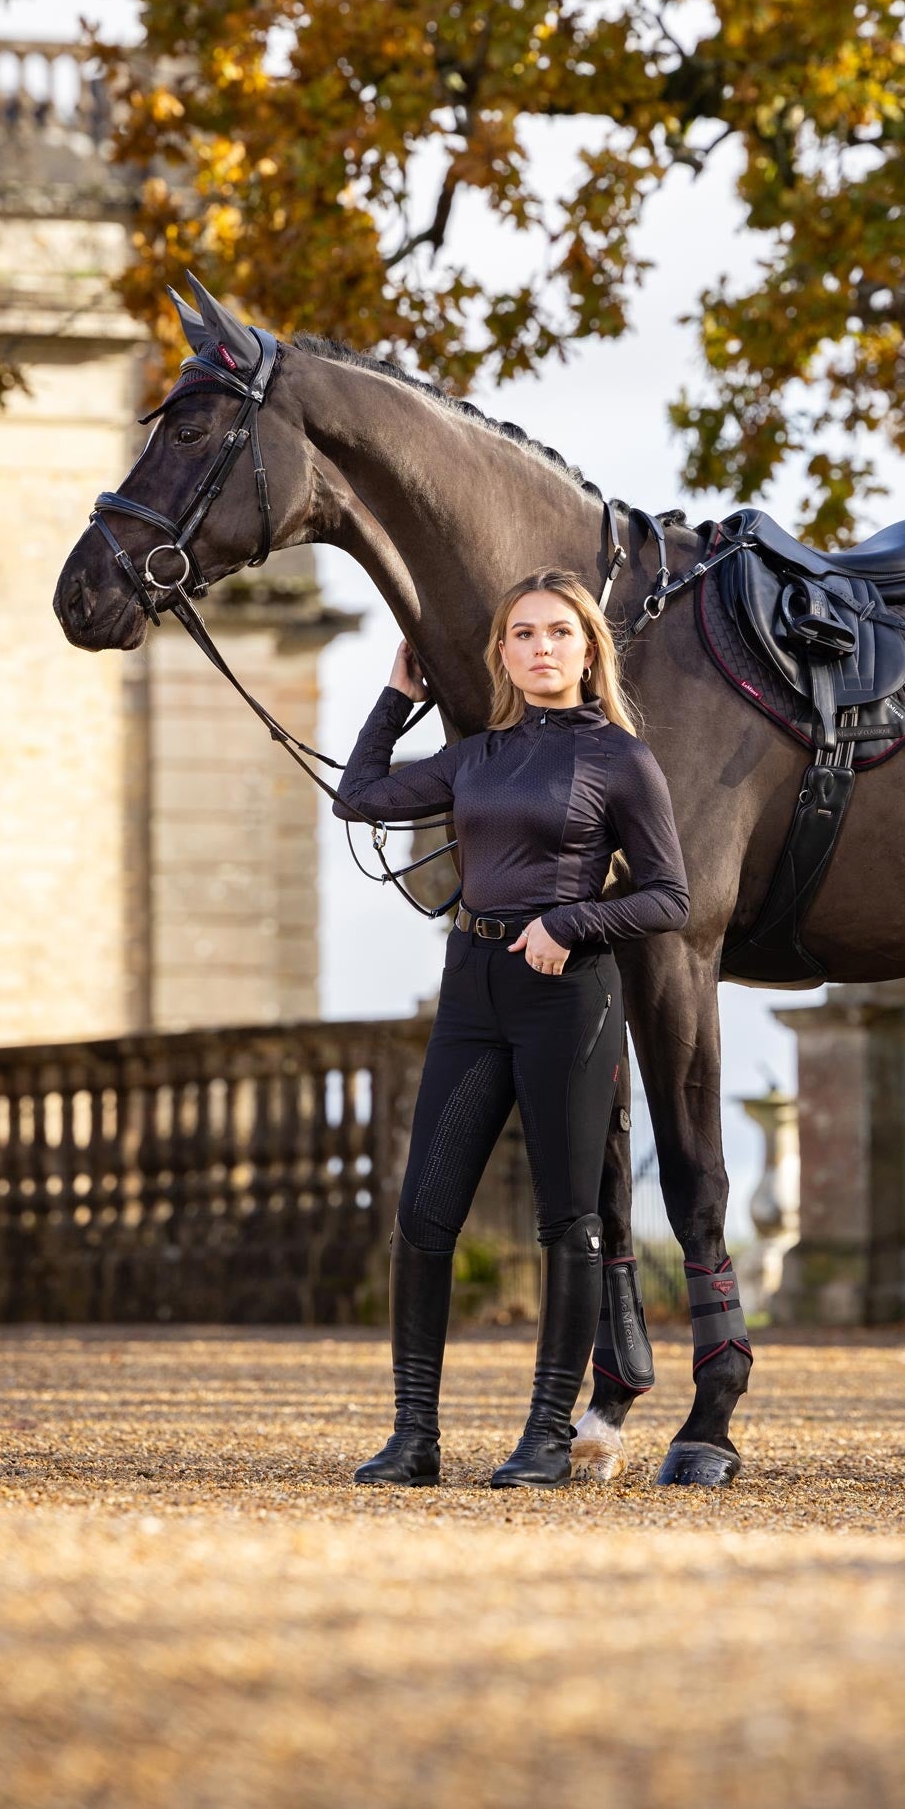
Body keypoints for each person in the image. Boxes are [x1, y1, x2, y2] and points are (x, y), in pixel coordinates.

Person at [335, 567, 689, 1489]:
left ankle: (542, 1436)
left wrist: (570, 923)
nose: (540, 648)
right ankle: (414, 1435)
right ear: (502, 653)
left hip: (566, 996)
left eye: (558, 634)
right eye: (523, 634)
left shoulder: (621, 759)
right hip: (473, 987)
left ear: (587, 650)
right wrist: (395, 695)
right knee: (423, 1215)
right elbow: (359, 796)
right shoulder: (476, 757)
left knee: (568, 1219)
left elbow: (669, 896)